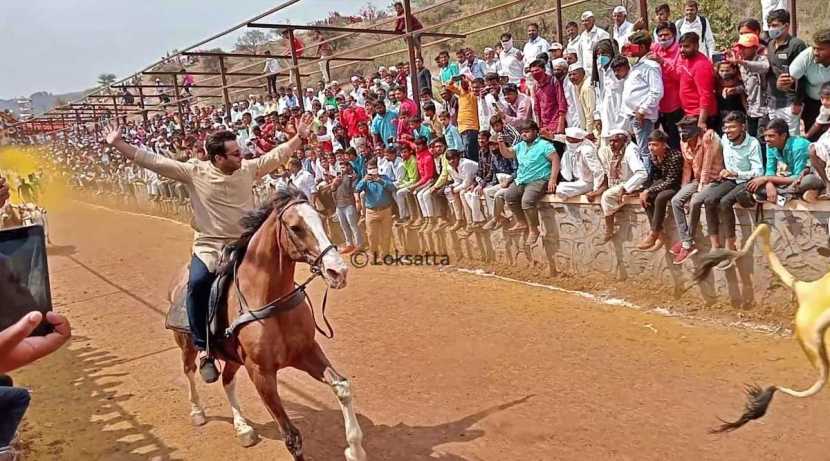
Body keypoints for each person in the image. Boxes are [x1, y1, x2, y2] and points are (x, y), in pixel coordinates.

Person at [103, 114, 314, 383]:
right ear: (217, 158)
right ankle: (204, 348)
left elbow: (275, 157)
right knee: (198, 283)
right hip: (210, 247)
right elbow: (154, 162)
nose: (242, 156)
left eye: (240, 152)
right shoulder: (193, 172)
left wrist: (299, 137)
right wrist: (119, 143)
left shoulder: (247, 169)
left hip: (245, 245)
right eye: (235, 154)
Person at [669, 116, 724, 264]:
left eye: (686, 130)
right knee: (676, 200)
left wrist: (700, 188)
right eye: (681, 130)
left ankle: (687, 244)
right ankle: (686, 239)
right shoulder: (684, 143)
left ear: (696, 130)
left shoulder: (708, 138)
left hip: (714, 179)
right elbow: (687, 168)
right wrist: (684, 189)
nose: (683, 134)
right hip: (697, 179)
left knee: (695, 201)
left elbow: (707, 165)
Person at [499, 120, 560, 244]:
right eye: (522, 132)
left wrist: (553, 179)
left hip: (539, 179)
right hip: (522, 179)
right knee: (509, 196)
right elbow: (507, 154)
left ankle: (534, 229)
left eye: (527, 132)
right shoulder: (520, 145)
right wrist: (501, 143)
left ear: (535, 132)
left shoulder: (544, 145)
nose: (524, 134)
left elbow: (555, 159)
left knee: (527, 201)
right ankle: (521, 222)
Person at [717, 111, 764, 251]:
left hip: (745, 180)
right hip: (729, 179)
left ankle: (730, 242)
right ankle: (715, 244)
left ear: (743, 127)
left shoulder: (753, 144)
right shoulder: (724, 139)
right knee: (709, 199)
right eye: (725, 128)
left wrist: (737, 173)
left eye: (732, 127)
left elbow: (759, 171)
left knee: (725, 202)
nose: (728, 131)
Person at [750, 118, 825, 202]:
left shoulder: (799, 146)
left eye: (771, 136)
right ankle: (787, 195)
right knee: (755, 186)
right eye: (765, 136)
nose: (767, 139)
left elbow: (797, 177)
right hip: (792, 180)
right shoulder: (770, 145)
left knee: (808, 181)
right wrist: (769, 184)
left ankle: (784, 195)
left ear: (783, 136)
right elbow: (770, 170)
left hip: (815, 176)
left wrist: (766, 179)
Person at [621, 31, 664, 173]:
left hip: (642, 115)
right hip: (634, 114)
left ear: (643, 47)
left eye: (634, 46)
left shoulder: (650, 66)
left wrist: (642, 110)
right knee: (641, 148)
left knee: (646, 150)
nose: (630, 50)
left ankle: (647, 180)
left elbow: (656, 91)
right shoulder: (638, 64)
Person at [595, 130, 648, 241]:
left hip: (631, 184)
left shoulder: (630, 150)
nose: (612, 144)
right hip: (618, 183)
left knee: (607, 196)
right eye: (611, 141)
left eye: (616, 141)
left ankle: (609, 228)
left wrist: (625, 188)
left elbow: (642, 174)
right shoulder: (610, 151)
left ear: (624, 141)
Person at [637, 130, 683, 251]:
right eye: (650, 144)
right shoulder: (653, 156)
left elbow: (671, 180)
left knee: (660, 198)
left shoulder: (675, 156)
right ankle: (661, 234)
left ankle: (654, 233)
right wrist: (646, 190)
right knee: (645, 197)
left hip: (676, 184)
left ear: (664, 144)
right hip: (663, 181)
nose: (651, 148)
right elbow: (656, 177)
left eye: (655, 145)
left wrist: (649, 190)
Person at [766, 9, 807, 137]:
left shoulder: (796, 45)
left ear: (786, 25)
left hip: (790, 102)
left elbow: (804, 76)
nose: (772, 29)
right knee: (774, 136)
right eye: (770, 26)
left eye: (775, 25)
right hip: (773, 101)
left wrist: (797, 102)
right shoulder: (771, 45)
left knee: (791, 136)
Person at [787, 28, 830, 134]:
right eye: (814, 48)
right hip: (812, 104)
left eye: (820, 49)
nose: (815, 52)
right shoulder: (807, 57)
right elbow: (792, 78)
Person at [648, 21, 683, 150]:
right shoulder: (656, 48)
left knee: (675, 140)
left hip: (674, 104)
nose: (663, 38)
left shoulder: (680, 51)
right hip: (657, 105)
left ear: (673, 35)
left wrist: (663, 62)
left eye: (666, 34)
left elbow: (679, 75)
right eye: (660, 35)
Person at [730, 33, 770, 140]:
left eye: (745, 48)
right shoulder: (741, 65)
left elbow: (765, 67)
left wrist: (742, 62)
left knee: (763, 139)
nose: (741, 50)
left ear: (754, 48)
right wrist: (734, 90)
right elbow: (746, 86)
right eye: (740, 48)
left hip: (764, 109)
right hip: (751, 110)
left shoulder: (761, 59)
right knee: (751, 139)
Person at [677, 32, 718, 131]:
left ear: (696, 46)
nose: (682, 50)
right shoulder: (685, 59)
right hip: (689, 113)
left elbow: (706, 95)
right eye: (680, 46)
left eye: (686, 46)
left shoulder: (701, 66)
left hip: (699, 115)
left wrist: (702, 121)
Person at [355, 162, 396, 256]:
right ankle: (373, 254)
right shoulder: (365, 181)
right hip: (371, 212)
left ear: (377, 168)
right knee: (372, 235)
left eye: (374, 168)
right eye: (370, 168)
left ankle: (385, 254)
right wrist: (364, 180)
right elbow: (357, 189)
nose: (372, 170)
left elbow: (392, 188)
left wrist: (380, 180)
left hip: (385, 210)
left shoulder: (384, 177)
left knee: (386, 235)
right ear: (367, 170)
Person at [529, 59, 567, 140]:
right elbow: (537, 108)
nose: (534, 73)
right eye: (532, 72)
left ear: (544, 69)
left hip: (556, 123)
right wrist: (539, 126)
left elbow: (561, 102)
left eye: (537, 70)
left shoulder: (554, 81)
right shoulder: (535, 87)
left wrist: (561, 124)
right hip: (544, 126)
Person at [556, 127, 599, 198]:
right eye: (567, 138)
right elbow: (563, 138)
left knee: (561, 189)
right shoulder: (574, 144)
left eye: (570, 139)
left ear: (579, 140)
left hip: (588, 182)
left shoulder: (587, 150)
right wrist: (552, 136)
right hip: (577, 180)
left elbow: (597, 171)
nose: (567, 141)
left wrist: (596, 190)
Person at [446, 76, 481, 161]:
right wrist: (453, 79)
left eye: (465, 82)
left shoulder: (473, 94)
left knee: (470, 153)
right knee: (467, 152)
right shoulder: (461, 93)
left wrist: (468, 78)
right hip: (462, 128)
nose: (463, 83)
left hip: (471, 127)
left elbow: (477, 85)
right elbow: (448, 86)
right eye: (462, 82)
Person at [444, 149, 479, 232]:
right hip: (467, 183)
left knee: (462, 193)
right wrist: (451, 187)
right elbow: (458, 181)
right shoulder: (449, 167)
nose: (451, 161)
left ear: (458, 158)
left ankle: (470, 222)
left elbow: (467, 183)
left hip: (477, 180)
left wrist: (454, 190)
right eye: (449, 159)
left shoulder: (466, 164)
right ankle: (459, 220)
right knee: (450, 191)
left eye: (454, 158)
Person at [393, 142, 421, 225]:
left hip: (416, 182)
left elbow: (414, 179)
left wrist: (401, 185)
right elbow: (405, 178)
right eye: (402, 152)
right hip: (408, 182)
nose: (403, 154)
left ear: (410, 152)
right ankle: (408, 215)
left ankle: (405, 216)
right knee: (395, 191)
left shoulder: (413, 161)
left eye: (405, 152)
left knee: (399, 192)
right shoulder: (405, 161)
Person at [578, 11, 610, 81]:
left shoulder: (601, 34)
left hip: (599, 71)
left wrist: (601, 68)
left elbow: (606, 54)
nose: (584, 23)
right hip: (586, 71)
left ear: (593, 20)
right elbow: (581, 54)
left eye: (587, 21)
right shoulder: (583, 36)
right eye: (583, 21)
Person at [568, 63, 597, 140]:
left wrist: (589, 131)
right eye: (570, 75)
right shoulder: (579, 86)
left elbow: (590, 111)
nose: (572, 77)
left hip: (594, 128)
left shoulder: (586, 87)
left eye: (574, 74)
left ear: (583, 73)